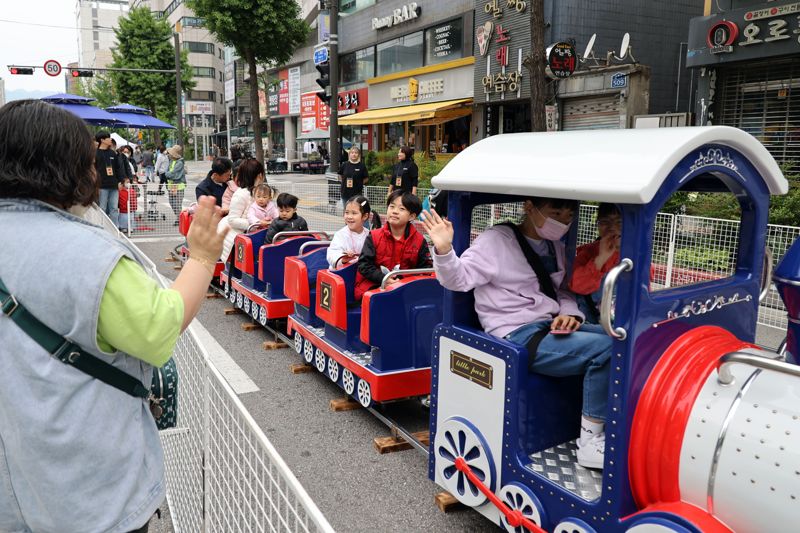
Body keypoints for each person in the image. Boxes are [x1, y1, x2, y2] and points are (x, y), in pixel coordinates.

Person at [0, 99, 228, 533]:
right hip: (85, 492)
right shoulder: (88, 254)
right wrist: (201, 256)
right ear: (62, 166)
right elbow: (159, 326)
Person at [420, 198, 612, 470]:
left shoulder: (554, 245)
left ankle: (608, 422)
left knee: (619, 340)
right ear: (529, 207)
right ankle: (590, 443)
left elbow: (562, 292)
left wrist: (570, 314)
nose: (563, 220)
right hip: (515, 333)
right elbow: (458, 279)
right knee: (606, 349)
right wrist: (444, 249)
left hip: (548, 324)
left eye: (568, 214)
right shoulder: (495, 241)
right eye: (555, 212)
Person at [355, 191, 431, 300]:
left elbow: (425, 269)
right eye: (392, 206)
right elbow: (364, 265)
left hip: (406, 291)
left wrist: (404, 283)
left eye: (401, 209)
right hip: (374, 288)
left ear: (412, 216)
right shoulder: (374, 236)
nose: (394, 211)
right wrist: (384, 279)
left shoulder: (419, 241)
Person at [569, 203, 622, 324]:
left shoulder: (638, 255)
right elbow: (577, 286)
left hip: (621, 323)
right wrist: (601, 258)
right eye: (604, 222)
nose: (612, 227)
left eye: (619, 222)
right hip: (589, 322)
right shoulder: (587, 252)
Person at [219, 158, 264, 261]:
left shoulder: (259, 191)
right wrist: (256, 223)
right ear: (258, 175)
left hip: (252, 235)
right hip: (238, 240)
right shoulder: (241, 194)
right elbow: (232, 220)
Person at [327, 195, 372, 268]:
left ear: (365, 216)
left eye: (354, 213)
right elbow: (332, 255)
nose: (349, 216)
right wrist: (343, 259)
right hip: (341, 273)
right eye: (347, 212)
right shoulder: (340, 235)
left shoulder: (369, 235)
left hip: (361, 272)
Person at [94, 131, 124, 226]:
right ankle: (102, 227)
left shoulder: (112, 153)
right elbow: (93, 170)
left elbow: (118, 168)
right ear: (102, 140)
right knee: (102, 208)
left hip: (114, 185)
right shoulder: (95, 153)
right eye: (108, 138)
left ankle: (116, 229)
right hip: (101, 186)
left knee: (114, 208)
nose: (110, 139)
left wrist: (120, 181)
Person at [165, 145, 186, 224]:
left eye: (170, 153)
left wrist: (167, 174)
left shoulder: (180, 163)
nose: (168, 155)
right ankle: (179, 217)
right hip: (171, 186)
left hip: (179, 186)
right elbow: (167, 171)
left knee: (177, 203)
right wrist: (167, 174)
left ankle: (179, 218)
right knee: (171, 202)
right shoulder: (171, 161)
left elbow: (172, 174)